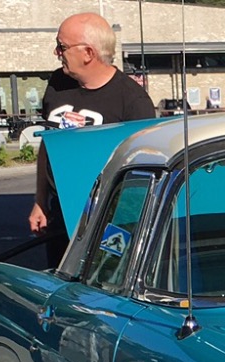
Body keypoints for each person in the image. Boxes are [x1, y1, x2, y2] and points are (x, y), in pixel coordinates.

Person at [28, 12, 156, 268]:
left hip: (110, 218)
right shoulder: (57, 84)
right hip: (61, 213)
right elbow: (49, 144)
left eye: (62, 46)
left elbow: (144, 173)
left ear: (88, 53)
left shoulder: (133, 102)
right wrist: (40, 201)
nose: (57, 53)